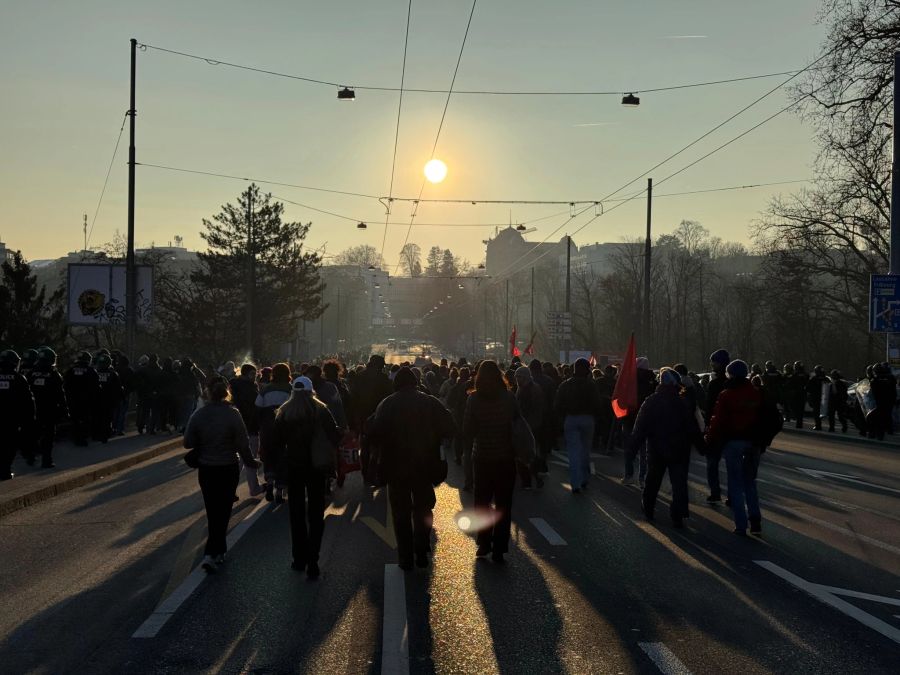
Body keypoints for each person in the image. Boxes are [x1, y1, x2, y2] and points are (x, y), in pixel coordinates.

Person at [369, 367, 455, 570]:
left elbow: (373, 432)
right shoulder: (429, 401)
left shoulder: (387, 403)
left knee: (400, 513)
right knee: (424, 507)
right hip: (424, 465)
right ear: (415, 383)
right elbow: (450, 426)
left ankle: (406, 557)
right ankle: (422, 547)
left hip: (395, 466)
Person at [183, 378, 259, 573]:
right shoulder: (233, 414)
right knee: (223, 510)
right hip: (227, 467)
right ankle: (213, 551)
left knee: (212, 509)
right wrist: (251, 462)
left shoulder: (199, 415)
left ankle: (216, 550)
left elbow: (187, 442)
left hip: (207, 468)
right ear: (226, 393)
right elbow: (243, 444)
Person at [272, 376, 340, 578]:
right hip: (316, 467)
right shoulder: (321, 410)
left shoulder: (284, 412)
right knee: (316, 515)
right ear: (312, 391)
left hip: (294, 468)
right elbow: (334, 437)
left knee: (297, 515)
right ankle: (313, 560)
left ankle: (299, 559)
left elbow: (275, 443)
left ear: (293, 391)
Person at [631, 368, 702, 527]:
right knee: (679, 482)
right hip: (679, 449)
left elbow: (641, 426)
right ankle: (678, 513)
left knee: (653, 480)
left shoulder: (651, 401)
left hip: (656, 448)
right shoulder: (683, 402)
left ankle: (648, 508)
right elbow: (692, 427)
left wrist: (633, 447)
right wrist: (702, 446)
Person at [463, 360, 519, 563]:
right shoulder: (509, 398)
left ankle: (484, 542)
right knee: (503, 504)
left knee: (482, 502)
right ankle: (500, 546)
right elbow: (517, 423)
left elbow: (468, 429)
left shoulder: (474, 399)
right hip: (505, 457)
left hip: (482, 457)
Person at [705, 360, 763, 536]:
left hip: (733, 441)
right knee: (750, 482)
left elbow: (718, 419)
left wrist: (710, 438)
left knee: (735, 483)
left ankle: (740, 524)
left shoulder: (726, 394)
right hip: (753, 442)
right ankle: (755, 521)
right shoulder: (756, 393)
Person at [554, 357, 599, 493]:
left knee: (573, 452)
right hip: (588, 419)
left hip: (571, 418)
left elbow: (557, 404)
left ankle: (575, 483)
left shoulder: (565, 385)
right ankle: (585, 478)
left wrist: (562, 419)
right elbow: (598, 403)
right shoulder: (591, 385)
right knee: (585, 450)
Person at [255, 363, 293, 503]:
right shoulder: (290, 389)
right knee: (283, 458)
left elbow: (257, 407)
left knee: (269, 455)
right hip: (284, 429)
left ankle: (269, 482)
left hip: (267, 429)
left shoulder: (265, 389)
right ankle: (279, 491)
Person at [29, 347, 68, 469]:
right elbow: (60, 394)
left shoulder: (30, 373)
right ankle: (46, 461)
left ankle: (31, 457)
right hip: (49, 411)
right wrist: (64, 410)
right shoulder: (54, 374)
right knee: (48, 437)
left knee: (33, 434)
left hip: (33, 410)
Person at [0, 350, 35, 480]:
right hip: (11, 420)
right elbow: (27, 400)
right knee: (9, 445)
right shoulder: (18, 378)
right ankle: (5, 471)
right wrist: (30, 418)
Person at [230, 363, 264, 496]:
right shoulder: (249, 389)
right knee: (250, 459)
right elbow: (255, 408)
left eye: (255, 374)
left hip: (237, 428)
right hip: (250, 427)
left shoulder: (234, 386)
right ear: (245, 374)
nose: (254, 376)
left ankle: (230, 489)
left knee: (240, 461)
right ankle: (254, 488)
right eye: (252, 374)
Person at [622, 357, 656, 488]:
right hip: (646, 419)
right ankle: (643, 478)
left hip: (630, 418)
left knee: (629, 449)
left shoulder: (629, 379)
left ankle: (629, 475)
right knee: (644, 452)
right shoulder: (652, 380)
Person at [703, 349, 730, 503]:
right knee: (732, 465)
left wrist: (707, 426)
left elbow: (709, 407)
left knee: (712, 463)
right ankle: (732, 495)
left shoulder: (715, 384)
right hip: (733, 429)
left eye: (714, 362)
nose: (712, 365)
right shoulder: (735, 383)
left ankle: (715, 492)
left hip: (717, 428)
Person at [514, 366, 545, 489]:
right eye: (516, 377)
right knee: (526, 454)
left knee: (524, 454)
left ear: (525, 377)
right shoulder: (524, 388)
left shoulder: (530, 389)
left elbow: (528, 409)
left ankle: (529, 480)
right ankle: (533, 479)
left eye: (519, 377)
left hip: (529, 426)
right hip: (527, 425)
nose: (517, 379)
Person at [64, 351, 101, 446]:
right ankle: (83, 438)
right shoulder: (91, 371)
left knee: (75, 420)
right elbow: (97, 387)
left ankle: (75, 437)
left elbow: (65, 385)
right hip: (87, 401)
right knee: (85, 420)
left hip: (72, 400)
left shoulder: (71, 370)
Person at [94, 352, 123, 443]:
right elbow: (118, 388)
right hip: (109, 401)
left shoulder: (95, 373)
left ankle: (97, 434)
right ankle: (105, 435)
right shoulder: (113, 374)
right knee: (107, 418)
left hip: (97, 400)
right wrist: (120, 398)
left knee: (98, 417)